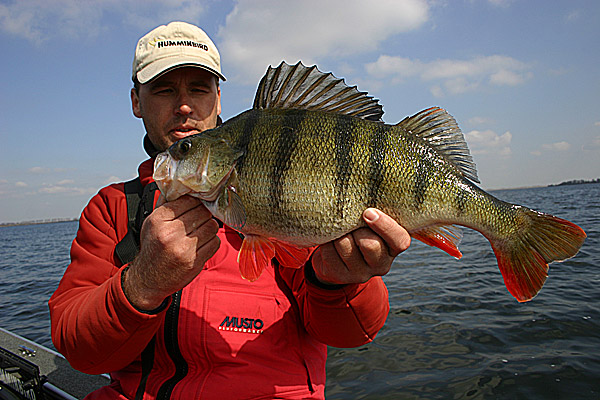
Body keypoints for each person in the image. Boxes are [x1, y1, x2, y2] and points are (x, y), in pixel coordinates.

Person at [49, 21, 411, 399]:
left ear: (218, 98)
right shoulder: (113, 208)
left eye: (199, 89)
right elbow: (79, 351)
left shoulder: (271, 191)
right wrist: (143, 283)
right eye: (164, 89)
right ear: (137, 101)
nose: (184, 105)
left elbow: (351, 333)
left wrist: (339, 282)